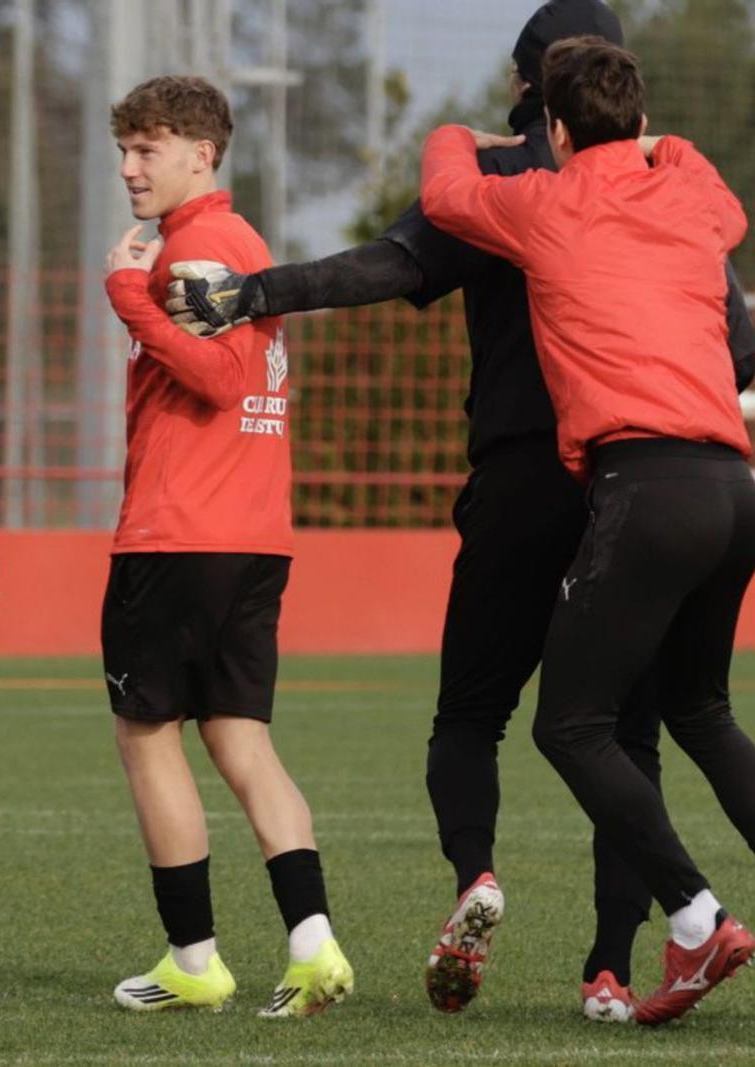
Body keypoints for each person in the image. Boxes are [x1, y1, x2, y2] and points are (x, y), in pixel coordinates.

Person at [161, 0, 755, 1022]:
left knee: (501, 718)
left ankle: (512, 884)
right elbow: (739, 326)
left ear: (533, 97)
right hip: (720, 477)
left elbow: (395, 256)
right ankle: (610, 968)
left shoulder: (523, 195)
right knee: (661, 722)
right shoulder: (686, 203)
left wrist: (254, 292)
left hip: (569, 479)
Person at [421, 33, 755, 1027]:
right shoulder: (690, 190)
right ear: (643, 123)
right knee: (698, 709)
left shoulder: (547, 202)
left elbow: (444, 195)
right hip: (735, 482)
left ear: (556, 131)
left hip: (646, 484)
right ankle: (679, 919)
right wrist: (655, 146)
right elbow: (724, 202)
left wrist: (462, 130)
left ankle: (696, 915)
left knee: (569, 724)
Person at [100, 75, 354, 1018]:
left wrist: (128, 294)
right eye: (125, 149)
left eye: (149, 149)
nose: (129, 168)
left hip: (180, 533)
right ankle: (313, 942)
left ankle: (195, 957)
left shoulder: (196, 249)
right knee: (242, 737)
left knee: (145, 735)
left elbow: (212, 374)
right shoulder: (243, 243)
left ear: (203, 153)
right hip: (252, 531)